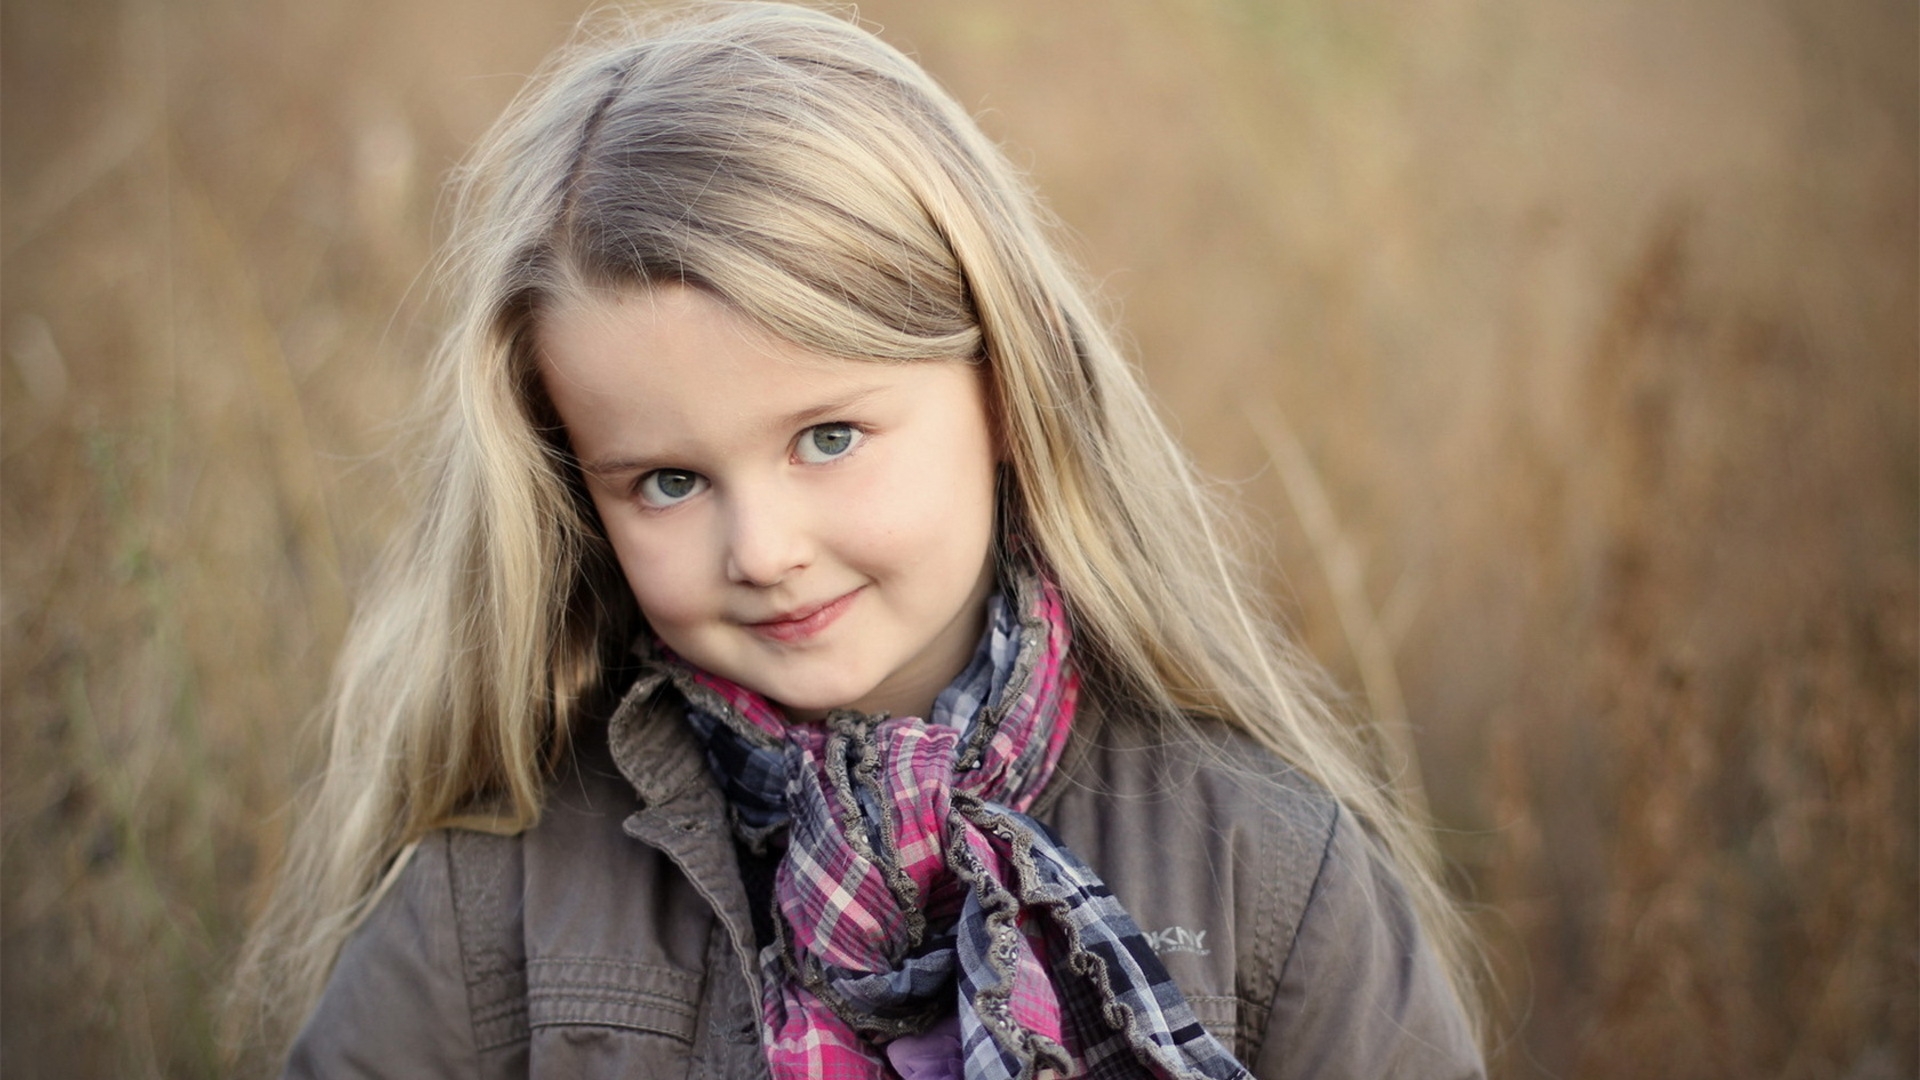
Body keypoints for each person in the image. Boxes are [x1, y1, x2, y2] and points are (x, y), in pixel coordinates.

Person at [232, 3, 1486, 1077]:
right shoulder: (498, 894)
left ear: (1005, 395)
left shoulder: (1259, 870)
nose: (764, 548)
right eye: (667, 480)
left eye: (827, 438)